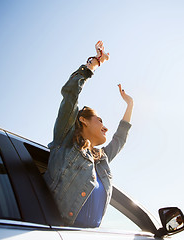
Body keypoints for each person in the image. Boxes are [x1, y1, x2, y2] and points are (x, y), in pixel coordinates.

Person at [44, 41, 134, 228]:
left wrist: (130, 104)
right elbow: (71, 93)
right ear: (83, 120)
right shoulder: (65, 141)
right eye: (100, 120)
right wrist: (95, 62)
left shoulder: (101, 159)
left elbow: (120, 138)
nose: (105, 127)